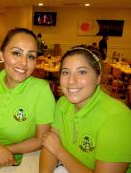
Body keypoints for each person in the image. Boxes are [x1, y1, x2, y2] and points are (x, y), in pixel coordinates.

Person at [39, 45, 131, 173]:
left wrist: (59, 150)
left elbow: (54, 147)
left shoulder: (118, 118)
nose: (71, 81)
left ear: (98, 77)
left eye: (82, 72)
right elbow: (50, 145)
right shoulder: (63, 103)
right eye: (66, 72)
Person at [0, 27, 55, 168]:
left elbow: (40, 139)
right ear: (1, 55)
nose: (24, 63)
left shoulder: (41, 89)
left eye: (31, 56)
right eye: (16, 53)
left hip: (22, 161)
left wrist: (5, 150)